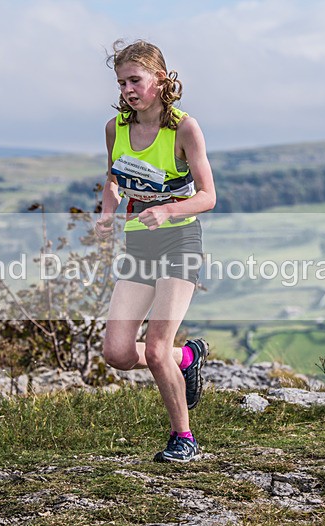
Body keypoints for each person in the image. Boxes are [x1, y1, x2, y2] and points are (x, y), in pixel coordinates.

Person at [95, 39, 216, 463]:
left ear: (160, 79)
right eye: (121, 82)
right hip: (139, 242)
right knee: (118, 353)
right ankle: (188, 356)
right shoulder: (116, 129)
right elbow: (112, 178)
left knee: (154, 348)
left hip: (180, 239)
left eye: (135, 80)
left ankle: (184, 438)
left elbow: (208, 196)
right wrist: (107, 213)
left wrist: (166, 210)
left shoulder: (185, 128)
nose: (127, 89)